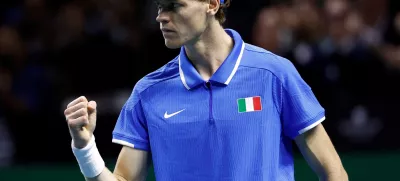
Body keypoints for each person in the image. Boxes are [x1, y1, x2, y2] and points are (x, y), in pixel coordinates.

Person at [63, 0, 348, 180]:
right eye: (160, 7)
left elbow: (332, 171)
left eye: (174, 6)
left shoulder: (275, 74)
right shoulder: (147, 93)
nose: (161, 17)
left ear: (212, 4)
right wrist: (85, 148)